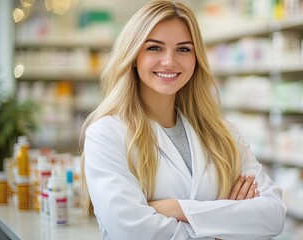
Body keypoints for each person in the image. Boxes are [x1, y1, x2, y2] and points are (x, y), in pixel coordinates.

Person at [80, 1, 286, 239]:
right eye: (155, 48)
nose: (169, 61)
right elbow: (131, 231)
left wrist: (176, 208)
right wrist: (225, 223)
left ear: (196, 58)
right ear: (134, 56)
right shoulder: (106, 134)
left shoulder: (223, 133)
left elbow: (273, 215)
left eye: (184, 49)